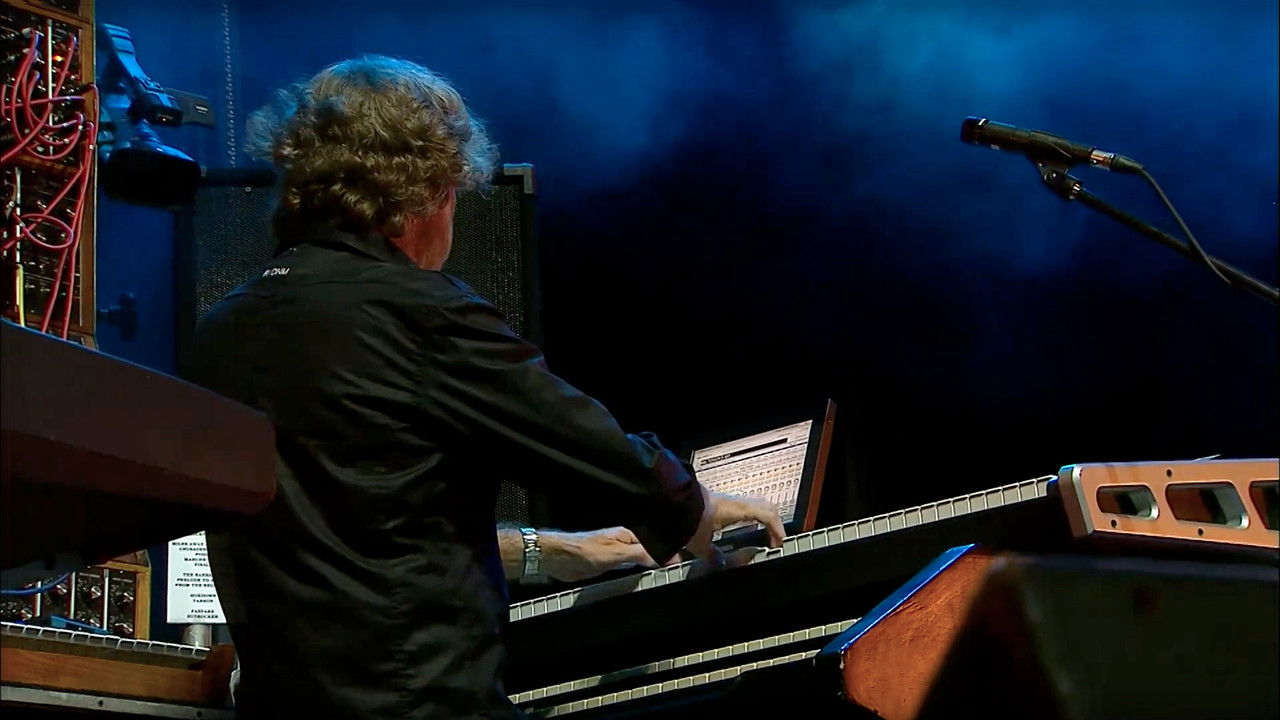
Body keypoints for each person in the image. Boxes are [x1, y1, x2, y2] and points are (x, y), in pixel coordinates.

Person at [187, 55, 783, 720]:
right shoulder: (416, 312)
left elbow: (349, 526)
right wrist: (692, 507)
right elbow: (576, 436)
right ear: (425, 191)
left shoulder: (222, 328)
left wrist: (549, 550)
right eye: (454, 193)